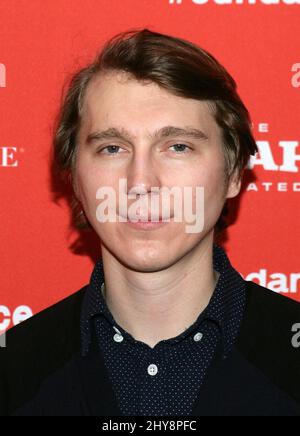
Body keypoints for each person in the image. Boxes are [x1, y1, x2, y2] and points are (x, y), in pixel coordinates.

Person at [0, 28, 299, 417]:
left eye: (178, 146)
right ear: (74, 176)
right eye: (112, 148)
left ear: (233, 174)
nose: (140, 182)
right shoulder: (14, 372)